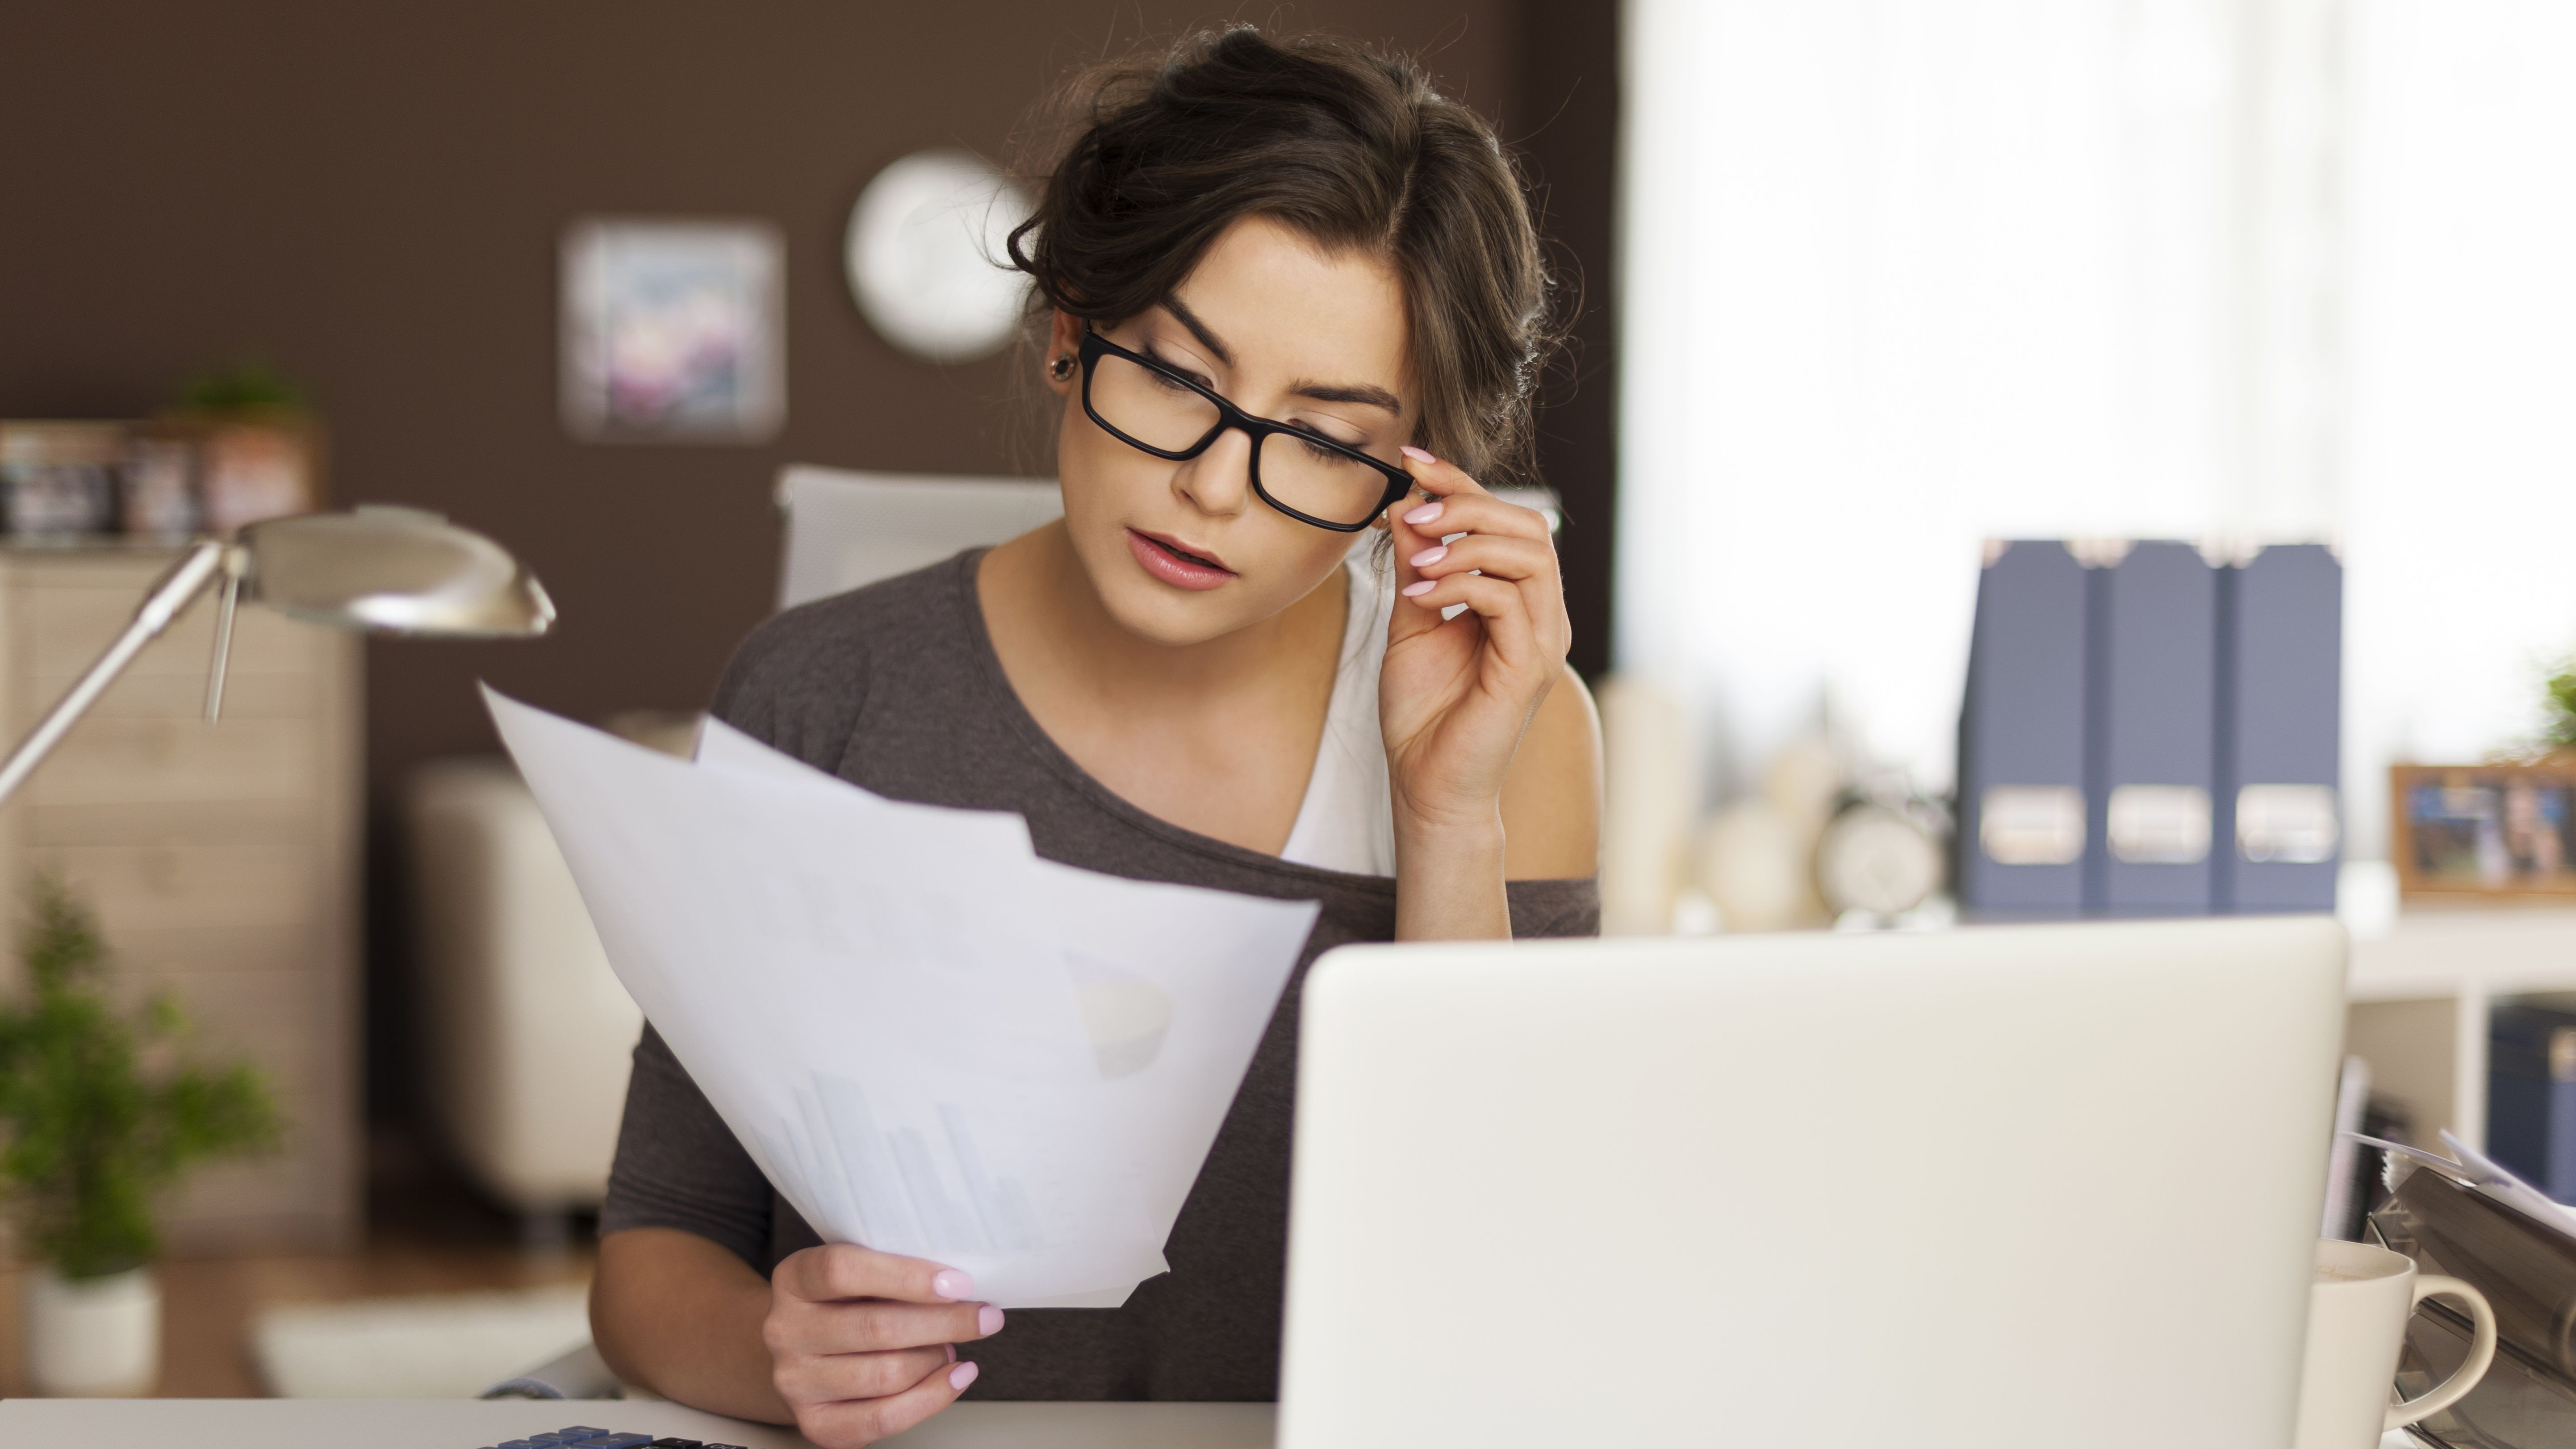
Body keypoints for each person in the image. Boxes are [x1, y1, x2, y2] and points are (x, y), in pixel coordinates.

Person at [588, 26, 1602, 1447]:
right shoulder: (824, 696)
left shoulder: (1516, 731)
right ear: (1072, 327)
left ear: (1407, 481)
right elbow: (654, 1247)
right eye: (1181, 383)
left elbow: (1510, 1296)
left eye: (1323, 438)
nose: (1212, 492)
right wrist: (779, 1354)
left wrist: (1447, 817)